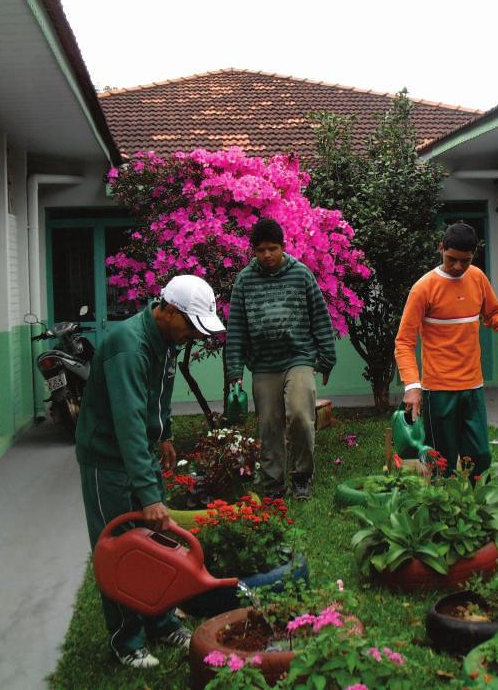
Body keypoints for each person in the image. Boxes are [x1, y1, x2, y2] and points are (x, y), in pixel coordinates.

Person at [75, 274, 226, 669]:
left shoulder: (166, 340)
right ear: (170, 311)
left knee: (155, 540)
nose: (194, 334)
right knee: (120, 547)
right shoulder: (129, 347)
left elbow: (157, 396)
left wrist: (165, 434)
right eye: (191, 324)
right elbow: (126, 427)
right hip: (106, 458)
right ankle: (127, 640)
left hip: (139, 450)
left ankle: (160, 619)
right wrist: (151, 495)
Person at [225, 218, 336, 501]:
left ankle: (301, 476)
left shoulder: (301, 275)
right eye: (260, 250)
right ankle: (273, 484)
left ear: (283, 247)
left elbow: (320, 317)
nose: (267, 255)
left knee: (300, 414)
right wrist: (234, 370)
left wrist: (326, 359)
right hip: (263, 364)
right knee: (269, 425)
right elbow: (236, 328)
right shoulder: (245, 280)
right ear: (253, 250)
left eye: (272, 249)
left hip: (298, 358)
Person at [394, 222, 498, 477]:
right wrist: (412, 386)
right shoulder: (423, 288)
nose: (458, 267)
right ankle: (441, 506)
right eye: (452, 259)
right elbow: (404, 341)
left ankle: (476, 507)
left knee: (480, 456)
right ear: (441, 248)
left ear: (474, 255)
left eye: (466, 261)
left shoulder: (478, 278)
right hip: (437, 390)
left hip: (472, 386)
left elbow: (493, 312)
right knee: (442, 460)